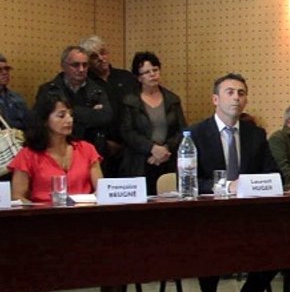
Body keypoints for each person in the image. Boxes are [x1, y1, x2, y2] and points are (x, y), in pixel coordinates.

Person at [8, 91, 128, 292]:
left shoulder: (86, 149)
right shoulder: (29, 154)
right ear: (45, 120)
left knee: (118, 247)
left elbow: (101, 189)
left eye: (71, 114)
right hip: (45, 228)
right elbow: (18, 197)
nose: (69, 120)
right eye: (61, 115)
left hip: (85, 224)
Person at [188, 73, 280, 292]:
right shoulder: (196, 133)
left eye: (241, 93)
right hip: (210, 214)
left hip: (250, 213)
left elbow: (272, 173)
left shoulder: (256, 134)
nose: (236, 98)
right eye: (229, 92)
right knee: (210, 245)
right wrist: (226, 186)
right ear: (215, 99)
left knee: (281, 245)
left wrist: (255, 185)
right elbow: (190, 181)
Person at [118, 51, 187, 194]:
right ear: (139, 77)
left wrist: (165, 149)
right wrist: (152, 148)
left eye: (155, 70)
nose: (152, 75)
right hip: (139, 162)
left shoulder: (172, 100)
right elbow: (127, 132)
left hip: (168, 160)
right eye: (146, 72)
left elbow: (182, 131)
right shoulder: (130, 101)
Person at [36, 46, 113, 165]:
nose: (81, 69)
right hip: (57, 153)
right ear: (63, 66)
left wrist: (68, 112)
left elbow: (105, 116)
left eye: (85, 65)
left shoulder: (97, 90)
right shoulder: (48, 90)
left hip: (92, 152)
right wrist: (90, 112)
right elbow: (40, 121)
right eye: (75, 65)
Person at [80, 35, 139, 175]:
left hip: (132, 147)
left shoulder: (127, 77)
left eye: (103, 52)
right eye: (94, 56)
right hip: (100, 149)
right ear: (87, 61)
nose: (101, 58)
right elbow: (85, 119)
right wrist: (105, 142)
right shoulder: (84, 84)